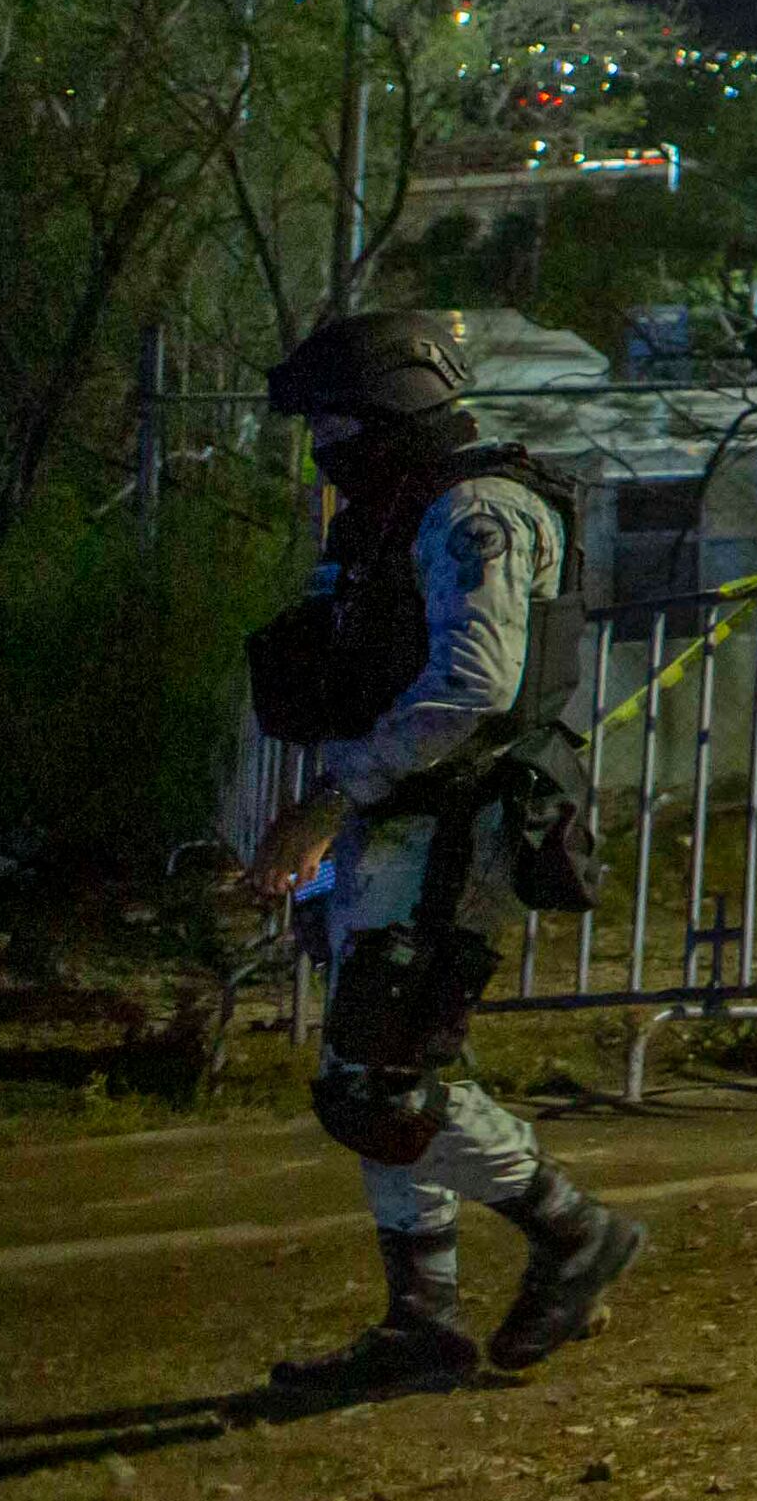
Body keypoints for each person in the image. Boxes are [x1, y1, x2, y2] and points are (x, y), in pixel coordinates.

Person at [233, 311, 644, 1396]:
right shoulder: (389, 515)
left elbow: (473, 689)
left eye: (336, 419)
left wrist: (328, 800)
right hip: (399, 822)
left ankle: (570, 1230)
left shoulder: (476, 510)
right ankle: (422, 1317)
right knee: (388, 1070)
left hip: (456, 821)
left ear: (394, 406)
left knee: (379, 1082)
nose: (323, 442)